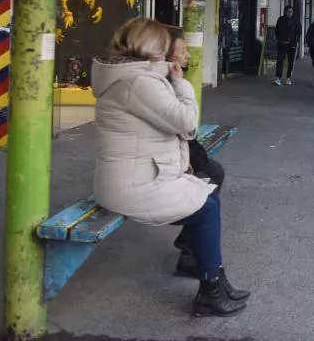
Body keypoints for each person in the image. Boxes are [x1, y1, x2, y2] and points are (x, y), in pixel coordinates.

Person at [91, 18, 249, 318]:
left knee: (209, 195)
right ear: (150, 47)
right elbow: (187, 123)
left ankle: (213, 278)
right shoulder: (138, 82)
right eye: (162, 48)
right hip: (132, 184)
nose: (166, 54)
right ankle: (210, 289)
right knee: (207, 208)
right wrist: (181, 83)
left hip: (134, 177)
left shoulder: (131, 77)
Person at [166, 34, 226, 277]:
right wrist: (182, 85)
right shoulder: (161, 85)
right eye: (182, 51)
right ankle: (195, 259)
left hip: (175, 153)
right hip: (160, 164)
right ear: (167, 57)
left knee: (213, 174)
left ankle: (189, 246)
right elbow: (187, 124)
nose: (188, 55)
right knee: (208, 191)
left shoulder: (166, 81)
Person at [274, 4, 301, 86]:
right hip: (282, 44)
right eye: (288, 11)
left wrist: (295, 41)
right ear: (285, 12)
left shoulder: (296, 21)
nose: (290, 13)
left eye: (291, 11)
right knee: (280, 61)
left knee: (291, 62)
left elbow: (299, 31)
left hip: (291, 45)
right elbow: (277, 30)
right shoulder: (281, 19)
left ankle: (288, 77)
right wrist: (279, 39)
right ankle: (278, 77)